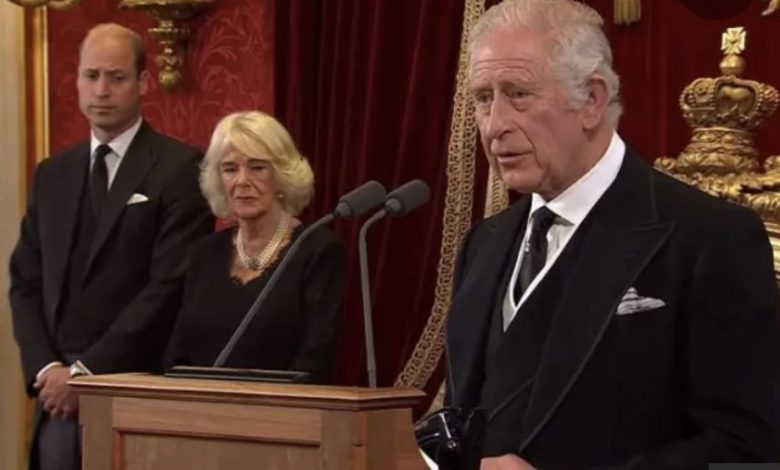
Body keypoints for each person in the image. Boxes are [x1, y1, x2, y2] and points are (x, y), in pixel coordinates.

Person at [444, 0, 780, 468]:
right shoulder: (483, 244)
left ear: (592, 100)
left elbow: (749, 450)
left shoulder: (711, 239)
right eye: (483, 98)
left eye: (518, 94)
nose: (495, 124)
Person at [9, 23, 213, 470]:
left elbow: (170, 286)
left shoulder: (180, 168)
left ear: (143, 82)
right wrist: (46, 370)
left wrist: (87, 373)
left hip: (136, 388)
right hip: (56, 396)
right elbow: (25, 280)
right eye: (92, 76)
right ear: (78, 80)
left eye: (116, 77)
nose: (101, 90)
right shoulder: (52, 173)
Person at [164, 111, 346, 384]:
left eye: (257, 167)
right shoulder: (203, 254)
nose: (242, 181)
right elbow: (177, 357)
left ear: (282, 175)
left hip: (286, 408)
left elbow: (315, 361)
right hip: (203, 407)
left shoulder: (319, 251)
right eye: (230, 169)